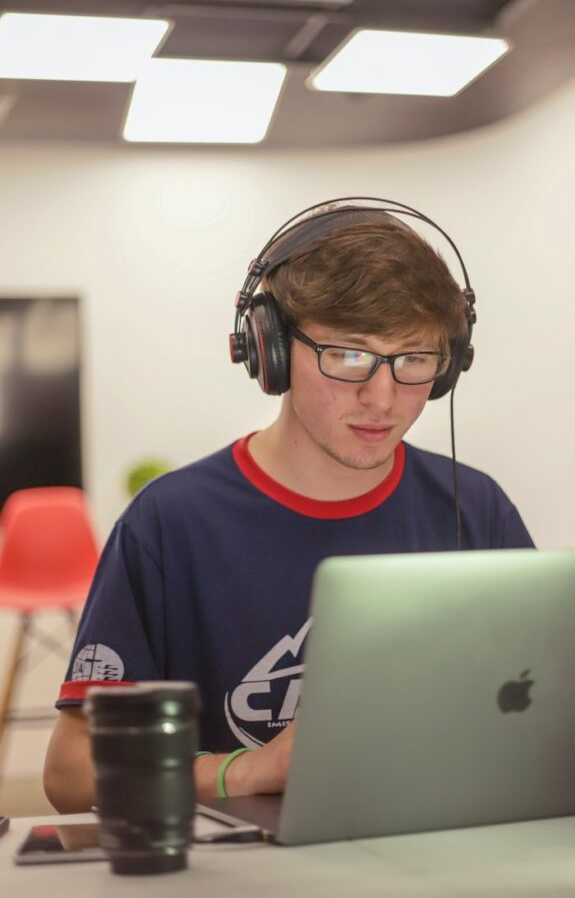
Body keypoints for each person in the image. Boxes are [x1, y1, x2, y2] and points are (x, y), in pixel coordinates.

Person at [43, 198, 533, 812]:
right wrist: (242, 771)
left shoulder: (475, 507)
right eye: (349, 355)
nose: (382, 398)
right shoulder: (168, 523)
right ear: (269, 351)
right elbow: (69, 774)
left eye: (413, 359)